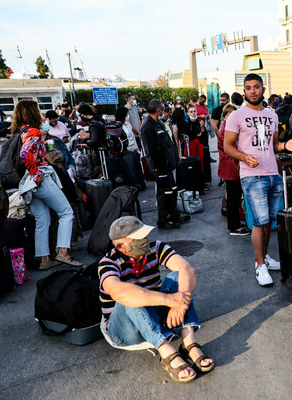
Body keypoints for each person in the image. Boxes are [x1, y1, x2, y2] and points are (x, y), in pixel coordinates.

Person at [98, 216, 214, 383]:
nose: (144, 241)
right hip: (124, 329)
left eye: (144, 236)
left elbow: (187, 269)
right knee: (129, 295)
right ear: (121, 246)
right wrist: (169, 300)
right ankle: (166, 352)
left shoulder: (156, 247)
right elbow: (118, 292)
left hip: (154, 315)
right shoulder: (108, 263)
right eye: (138, 239)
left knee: (178, 277)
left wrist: (179, 306)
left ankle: (188, 343)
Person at [224, 73, 292, 287]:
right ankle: (259, 265)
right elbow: (227, 145)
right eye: (248, 87)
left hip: (272, 174)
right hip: (252, 176)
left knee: (269, 222)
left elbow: (274, 144)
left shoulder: (272, 115)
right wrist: (244, 157)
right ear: (244, 91)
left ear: (263, 89)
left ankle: (265, 256)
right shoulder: (236, 116)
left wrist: (286, 146)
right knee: (259, 223)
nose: (252, 91)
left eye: (256, 87)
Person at [14, 99, 81, 270]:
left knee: (42, 220)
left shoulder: (19, 131)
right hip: (39, 178)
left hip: (28, 182)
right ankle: (63, 252)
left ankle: (44, 259)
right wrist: (37, 175)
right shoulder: (33, 132)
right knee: (66, 212)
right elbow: (25, 154)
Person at [141, 99, 190, 229]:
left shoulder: (158, 124)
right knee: (164, 194)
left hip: (167, 166)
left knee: (172, 191)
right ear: (158, 111)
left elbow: (167, 143)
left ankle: (174, 215)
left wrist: (173, 158)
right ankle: (164, 220)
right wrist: (164, 162)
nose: (165, 112)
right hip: (161, 167)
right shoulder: (148, 127)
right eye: (163, 110)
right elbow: (153, 150)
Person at [217, 104, 249, 235]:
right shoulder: (225, 130)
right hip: (231, 167)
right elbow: (231, 149)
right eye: (231, 115)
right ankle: (234, 226)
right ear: (225, 116)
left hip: (231, 167)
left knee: (234, 196)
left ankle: (235, 223)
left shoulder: (226, 128)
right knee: (233, 197)